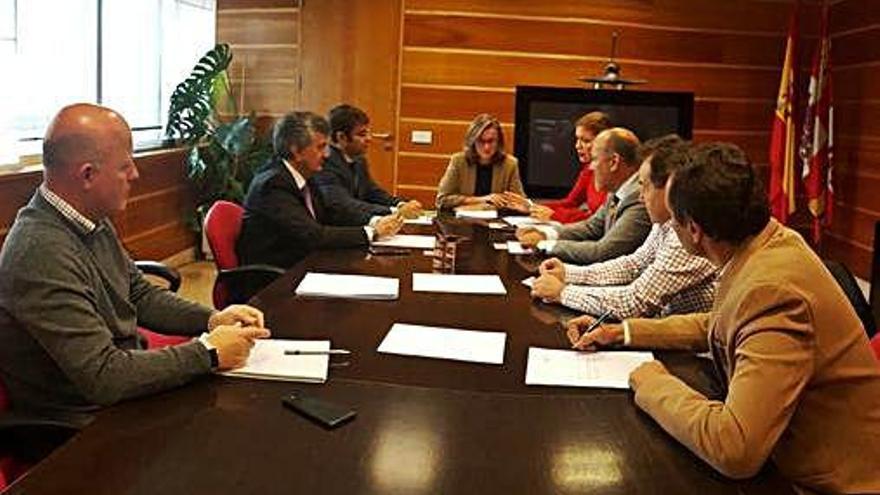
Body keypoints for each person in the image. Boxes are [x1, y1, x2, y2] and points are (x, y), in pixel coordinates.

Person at [566, 142, 880, 493]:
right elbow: (719, 322)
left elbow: (734, 449)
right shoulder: (766, 242)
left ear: (695, 230)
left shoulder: (772, 289)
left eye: (673, 221)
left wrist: (652, 382)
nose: (669, 229)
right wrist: (621, 332)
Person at [0, 104, 270, 444]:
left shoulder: (91, 220)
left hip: (123, 392)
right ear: (87, 175)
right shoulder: (39, 250)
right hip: (83, 426)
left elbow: (138, 295)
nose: (135, 175)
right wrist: (208, 353)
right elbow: (103, 376)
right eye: (125, 166)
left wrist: (213, 320)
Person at [531, 135, 716, 319]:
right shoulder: (665, 223)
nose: (641, 197)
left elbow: (634, 303)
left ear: (669, 187)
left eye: (644, 186)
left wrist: (563, 292)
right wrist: (569, 273)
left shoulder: (686, 232)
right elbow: (633, 265)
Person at [237, 111, 402, 269]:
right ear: (296, 151)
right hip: (274, 279)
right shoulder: (272, 185)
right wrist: (371, 233)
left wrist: (375, 222)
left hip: (304, 264)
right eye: (320, 147)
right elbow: (313, 235)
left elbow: (331, 214)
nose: (326, 154)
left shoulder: (304, 176)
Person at [517, 127, 651, 265]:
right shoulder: (617, 190)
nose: (591, 167)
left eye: (594, 159)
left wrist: (545, 244)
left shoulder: (638, 198)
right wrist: (545, 233)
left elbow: (603, 252)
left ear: (614, 162)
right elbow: (591, 227)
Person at [313, 104, 422, 224]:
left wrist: (400, 204)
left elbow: (372, 192)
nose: (369, 138)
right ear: (341, 137)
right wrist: (394, 211)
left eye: (368, 133)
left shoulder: (359, 160)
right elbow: (343, 204)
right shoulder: (324, 163)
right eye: (362, 134)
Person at [435, 113, 528, 211]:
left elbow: (521, 202)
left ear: (499, 142)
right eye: (481, 141)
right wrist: (483, 199)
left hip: (496, 222)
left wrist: (516, 204)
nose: (486, 147)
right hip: (462, 222)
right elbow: (442, 200)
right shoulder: (458, 161)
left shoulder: (510, 164)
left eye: (491, 141)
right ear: (472, 141)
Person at [530, 112, 610, 223]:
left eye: (586, 141)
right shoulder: (589, 169)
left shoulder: (612, 175)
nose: (577, 146)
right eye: (577, 139)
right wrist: (531, 206)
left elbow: (598, 219)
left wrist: (555, 215)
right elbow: (571, 202)